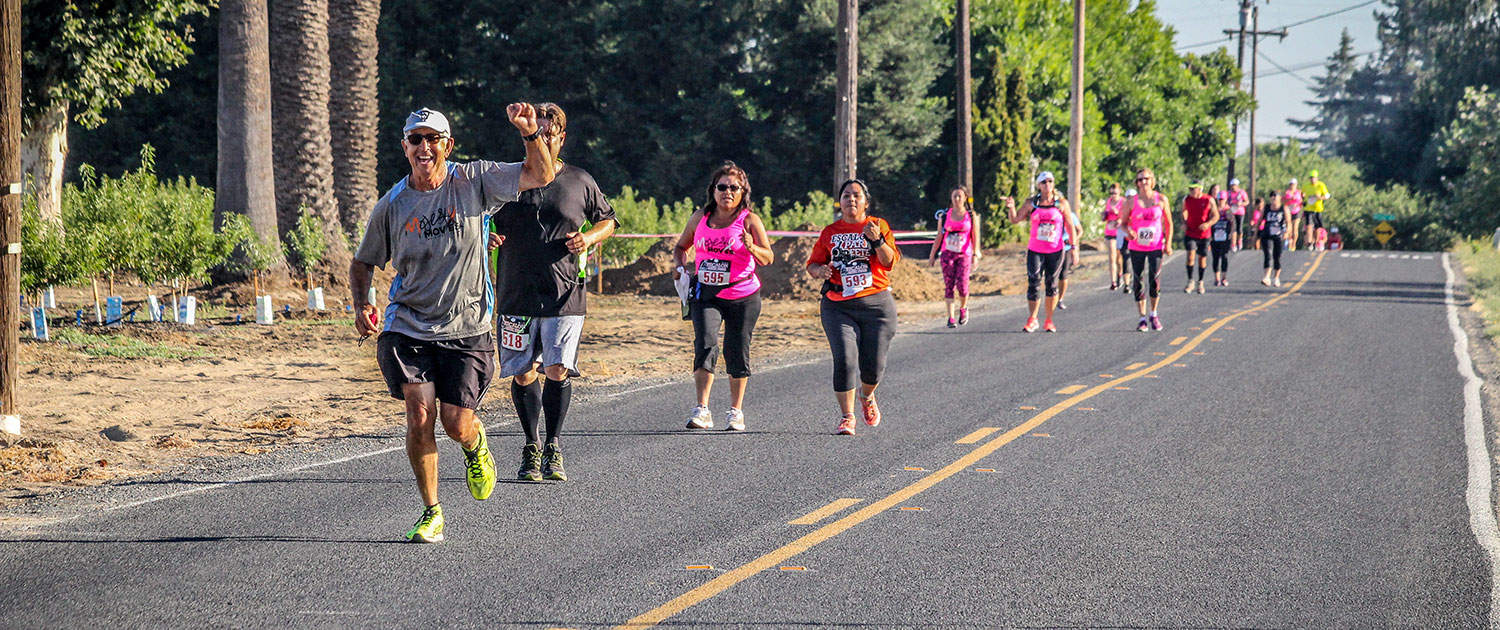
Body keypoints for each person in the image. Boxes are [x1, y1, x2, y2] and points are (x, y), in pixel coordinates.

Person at [351, 105, 556, 543]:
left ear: (448, 145)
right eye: (415, 139)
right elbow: (364, 262)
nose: (424, 147)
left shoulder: (474, 180)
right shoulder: (392, 204)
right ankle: (432, 512)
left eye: (433, 139)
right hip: (407, 324)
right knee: (419, 414)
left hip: (467, 326)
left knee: (455, 422)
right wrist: (361, 304)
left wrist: (530, 133)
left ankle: (476, 445)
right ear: (404, 147)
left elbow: (541, 175)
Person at [491, 103, 616, 483]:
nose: (542, 139)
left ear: (561, 138)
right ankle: (531, 444)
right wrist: (486, 237)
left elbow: (609, 220)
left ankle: (554, 445)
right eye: (536, 132)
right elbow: (477, 219)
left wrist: (589, 237)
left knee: (558, 370)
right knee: (524, 372)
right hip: (515, 294)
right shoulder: (508, 179)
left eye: (549, 133)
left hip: (564, 295)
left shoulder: (580, 180)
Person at [673, 162, 773, 431]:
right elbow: (681, 246)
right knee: (705, 343)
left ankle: (735, 411)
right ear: (713, 190)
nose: (727, 192)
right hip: (706, 292)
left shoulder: (749, 220)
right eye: (722, 187)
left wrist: (752, 247)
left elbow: (768, 257)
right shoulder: (700, 218)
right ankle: (702, 409)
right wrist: (680, 266)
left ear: (743, 192)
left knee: (736, 350)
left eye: (734, 187)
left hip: (743, 294)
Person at [805, 179, 900, 436]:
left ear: (866, 202)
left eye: (857, 195)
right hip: (839, 306)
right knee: (845, 359)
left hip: (877, 306)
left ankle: (867, 396)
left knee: (873, 366)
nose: (851, 200)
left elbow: (890, 262)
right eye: (846, 195)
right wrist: (820, 271)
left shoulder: (878, 226)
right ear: (840, 202)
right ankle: (847, 416)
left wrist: (877, 240)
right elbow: (812, 265)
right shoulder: (830, 232)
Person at [1005, 172, 1078, 333]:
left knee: (1051, 284)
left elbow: (1070, 227)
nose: (1047, 184)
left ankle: (1049, 321)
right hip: (1035, 249)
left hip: (1056, 250)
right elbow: (1015, 219)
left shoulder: (1062, 203)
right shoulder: (1032, 203)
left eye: (1050, 181)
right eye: (1043, 182)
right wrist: (1011, 208)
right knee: (1034, 282)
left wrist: (1074, 248)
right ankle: (1032, 319)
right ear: (1039, 185)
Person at [1124, 168, 1173, 331]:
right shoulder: (1131, 201)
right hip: (1136, 246)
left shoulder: (1161, 199)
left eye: (1146, 179)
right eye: (1139, 180)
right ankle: (1142, 318)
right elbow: (1123, 223)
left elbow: (1169, 223)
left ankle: (1154, 313)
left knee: (1155, 280)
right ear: (1136, 183)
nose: (1143, 182)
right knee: (1138, 280)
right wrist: (1129, 231)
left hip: (1155, 245)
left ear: (1152, 180)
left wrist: (1169, 244)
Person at [927, 187, 981, 327]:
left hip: (964, 254)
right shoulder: (945, 215)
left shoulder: (971, 215)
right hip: (947, 253)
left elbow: (975, 235)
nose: (957, 199)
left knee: (962, 285)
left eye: (959, 196)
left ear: (965, 198)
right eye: (954, 196)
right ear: (950, 198)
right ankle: (950, 317)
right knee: (949, 285)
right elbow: (939, 236)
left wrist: (975, 253)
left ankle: (963, 308)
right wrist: (932, 255)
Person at [1181, 181, 1220, 294]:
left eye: (1194, 189)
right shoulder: (1187, 199)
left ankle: (1200, 282)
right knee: (1190, 256)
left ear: (1200, 189)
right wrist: (1184, 222)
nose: (1192, 191)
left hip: (1204, 234)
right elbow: (1183, 211)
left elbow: (1216, 215)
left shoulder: (1208, 200)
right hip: (1191, 232)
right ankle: (1190, 281)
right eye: (1190, 189)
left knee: (1202, 259)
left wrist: (1208, 224)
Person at [1258, 191, 1289, 286]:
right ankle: (1267, 277)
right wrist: (1256, 233)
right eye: (1272, 196)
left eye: (1276, 196)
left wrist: (1287, 233)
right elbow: (1260, 220)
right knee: (1268, 254)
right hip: (1267, 234)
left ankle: (1276, 277)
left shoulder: (1283, 208)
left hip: (1279, 235)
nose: (1274, 198)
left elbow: (1288, 222)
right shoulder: (1266, 208)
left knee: (1277, 256)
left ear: (1280, 198)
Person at [1055, 203, 1082, 310]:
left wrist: (1072, 241)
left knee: (1063, 274)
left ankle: (1060, 299)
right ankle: (1052, 294)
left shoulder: (1071, 215)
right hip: (1051, 247)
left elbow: (1079, 230)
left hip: (1065, 248)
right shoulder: (1051, 214)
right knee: (1052, 274)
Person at [1101, 183, 1126, 291]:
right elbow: (1104, 217)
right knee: (1111, 256)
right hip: (1109, 231)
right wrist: (1104, 215)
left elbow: (1126, 216)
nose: (1113, 195)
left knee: (1119, 258)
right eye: (1111, 193)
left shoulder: (1123, 202)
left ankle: (1119, 274)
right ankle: (1113, 282)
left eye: (1115, 193)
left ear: (1119, 192)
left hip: (1120, 231)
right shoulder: (1108, 202)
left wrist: (1118, 215)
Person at [1209, 197, 1235, 287]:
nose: (1221, 201)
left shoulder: (1228, 210)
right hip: (1215, 237)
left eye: (1222, 200)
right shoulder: (1213, 210)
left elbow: (1232, 223)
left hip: (1225, 237)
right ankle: (1216, 278)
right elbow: (1209, 221)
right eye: (1219, 200)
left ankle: (1224, 277)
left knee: (1224, 257)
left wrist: (1231, 236)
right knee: (1215, 257)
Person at [1304, 170, 1331, 250]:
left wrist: (1320, 197)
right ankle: (1309, 243)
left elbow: (1327, 195)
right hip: (1308, 209)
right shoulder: (1306, 185)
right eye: (1311, 178)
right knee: (1308, 226)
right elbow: (1302, 194)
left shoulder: (1321, 185)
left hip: (1318, 209)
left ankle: (1316, 242)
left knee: (1317, 228)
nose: (1312, 179)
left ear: (1317, 178)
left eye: (1314, 178)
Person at [1226, 178, 1250, 251]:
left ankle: (1239, 241)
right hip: (1232, 212)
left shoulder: (1242, 193)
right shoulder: (1229, 193)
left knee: (1239, 229)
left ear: (1237, 186)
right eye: (1232, 186)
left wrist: (1241, 203)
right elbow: (1226, 202)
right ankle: (1233, 244)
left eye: (1234, 185)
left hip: (1240, 212)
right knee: (1233, 228)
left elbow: (1247, 202)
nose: (1233, 187)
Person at [1282, 179, 1304, 251]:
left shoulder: (1299, 192)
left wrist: (1299, 205)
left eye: (1294, 184)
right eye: (1291, 184)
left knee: (1295, 228)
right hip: (1288, 211)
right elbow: (1283, 201)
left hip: (1296, 211)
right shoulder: (1287, 192)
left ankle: (1294, 244)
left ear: (1296, 185)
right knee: (1289, 229)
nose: (1292, 186)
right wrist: (1290, 199)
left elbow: (1302, 202)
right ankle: (1289, 243)